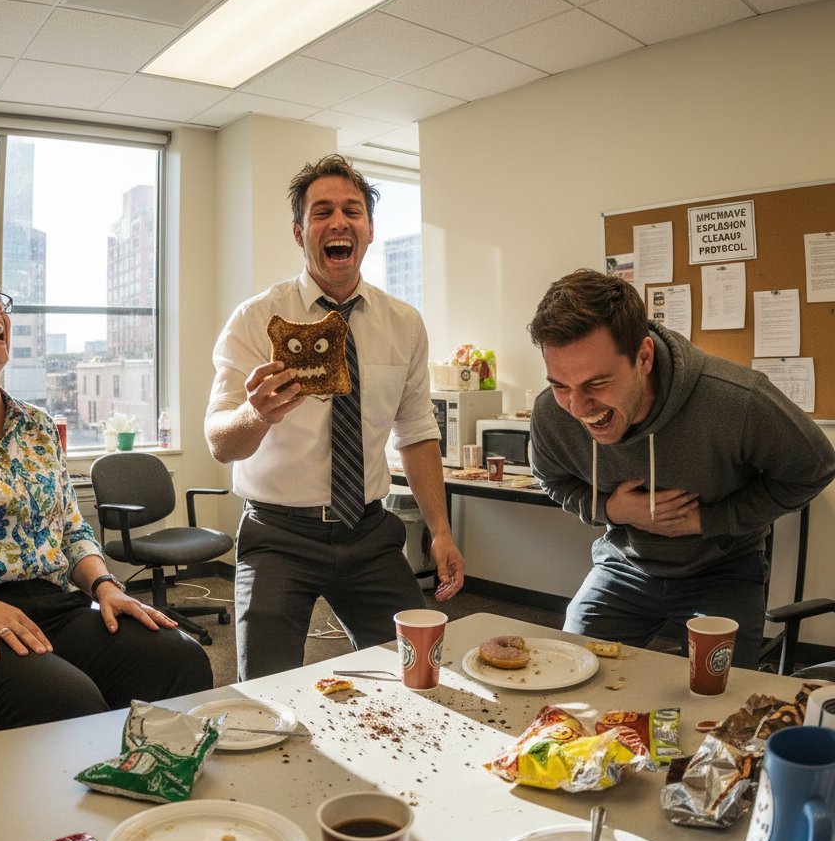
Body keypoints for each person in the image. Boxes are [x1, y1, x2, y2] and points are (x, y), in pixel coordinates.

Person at [0, 265, 212, 734]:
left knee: (179, 659)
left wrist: (106, 587)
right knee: (69, 706)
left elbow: (71, 528)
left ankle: (154, 778)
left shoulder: (38, 427)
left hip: (54, 607)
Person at [204, 154, 464, 680]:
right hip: (277, 535)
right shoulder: (257, 320)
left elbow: (416, 433)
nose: (339, 221)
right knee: (267, 689)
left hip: (368, 531)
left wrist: (440, 530)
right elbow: (220, 443)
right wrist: (256, 413)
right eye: (322, 212)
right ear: (299, 233)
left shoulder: (403, 324)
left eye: (353, 210)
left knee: (419, 672)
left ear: (369, 230)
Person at [527, 268, 835, 668]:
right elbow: (550, 478)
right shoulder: (551, 413)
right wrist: (611, 509)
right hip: (624, 565)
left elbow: (815, 468)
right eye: (560, 385)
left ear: (643, 357)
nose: (578, 407)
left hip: (723, 570)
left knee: (720, 692)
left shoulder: (736, 400)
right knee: (573, 670)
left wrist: (709, 519)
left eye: (596, 384)